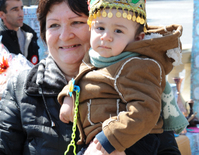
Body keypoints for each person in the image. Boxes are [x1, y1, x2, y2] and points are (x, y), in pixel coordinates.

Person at [58, 0, 188, 154]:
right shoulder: (94, 57)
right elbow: (82, 78)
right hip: (103, 139)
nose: (106, 37)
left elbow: (146, 110)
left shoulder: (138, 65)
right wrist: (69, 96)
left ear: (137, 38)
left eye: (118, 31)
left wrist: (111, 139)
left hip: (133, 140)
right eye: (100, 28)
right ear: (90, 28)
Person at [0, 0, 90, 154]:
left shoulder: (124, 80)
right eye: (54, 25)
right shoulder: (21, 87)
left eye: (76, 22)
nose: (65, 36)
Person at [0, 0, 40, 65]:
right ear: (1, 14)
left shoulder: (30, 34)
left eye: (21, 8)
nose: (21, 14)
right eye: (15, 10)